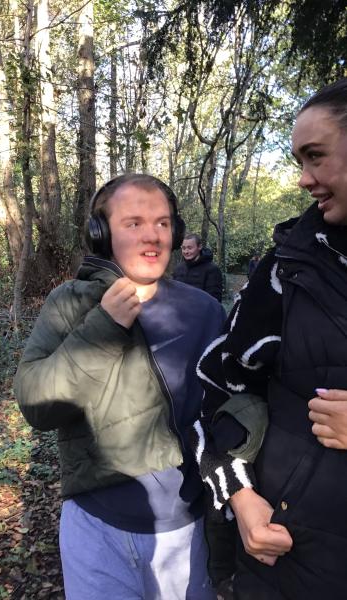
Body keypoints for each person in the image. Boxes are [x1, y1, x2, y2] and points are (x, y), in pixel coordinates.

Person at [14, 173, 226, 599]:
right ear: (101, 233)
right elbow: (36, 404)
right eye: (134, 223)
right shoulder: (70, 303)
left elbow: (229, 409)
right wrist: (104, 327)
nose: (152, 235)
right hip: (95, 528)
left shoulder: (204, 312)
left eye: (163, 223)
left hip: (186, 529)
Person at [194, 77, 347, 600]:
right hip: (288, 566)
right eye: (298, 161)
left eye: (316, 156)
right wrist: (239, 498)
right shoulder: (286, 270)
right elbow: (221, 389)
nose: (304, 179)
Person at [173, 234, 223, 301]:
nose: (186, 251)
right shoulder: (178, 269)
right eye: (183, 248)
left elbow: (214, 301)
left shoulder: (212, 270)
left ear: (199, 247)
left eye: (190, 248)